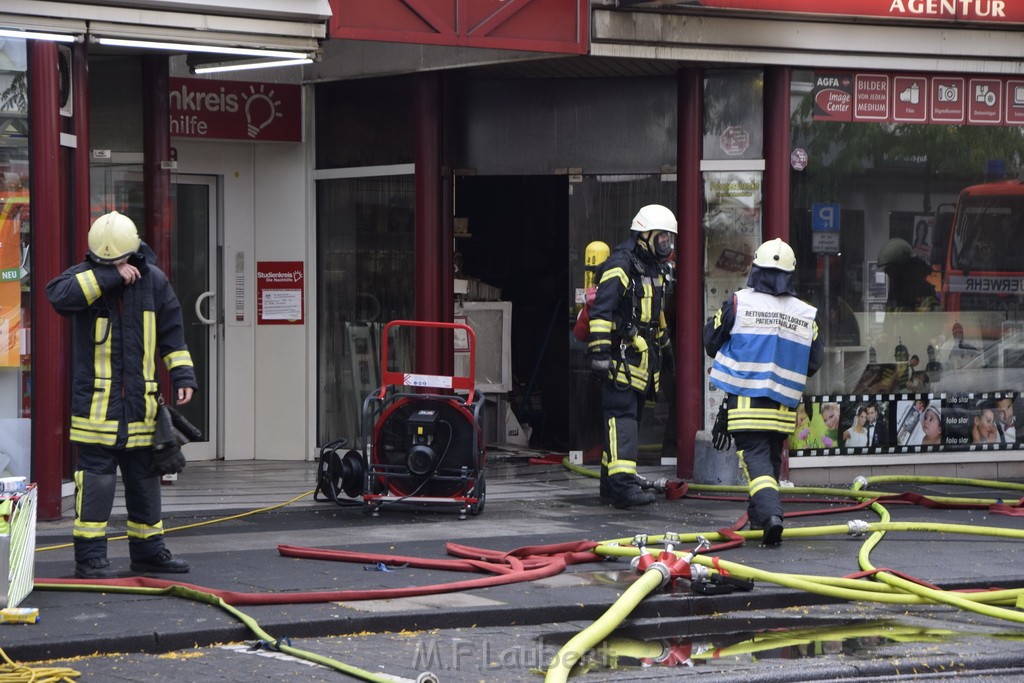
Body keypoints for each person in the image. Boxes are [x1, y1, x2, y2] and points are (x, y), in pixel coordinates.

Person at [46, 211, 198, 579]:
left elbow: (172, 335)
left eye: (118, 260)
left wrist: (183, 375)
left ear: (133, 252)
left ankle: (149, 553)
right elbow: (58, 296)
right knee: (95, 485)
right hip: (96, 410)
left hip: (142, 409)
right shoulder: (83, 279)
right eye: (104, 260)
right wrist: (108, 276)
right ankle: (91, 558)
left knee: (146, 483)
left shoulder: (154, 282)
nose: (113, 264)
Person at [703, 238, 823, 547]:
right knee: (768, 461)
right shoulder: (806, 314)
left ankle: (772, 517)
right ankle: (759, 520)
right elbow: (814, 363)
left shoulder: (738, 303)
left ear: (756, 269)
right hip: (783, 409)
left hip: (746, 403)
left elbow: (710, 341)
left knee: (755, 463)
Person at [588, 204, 676, 509]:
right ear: (645, 235)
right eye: (663, 236)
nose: (667, 243)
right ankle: (623, 487)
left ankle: (610, 485)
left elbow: (656, 315)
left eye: (669, 237)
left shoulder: (653, 269)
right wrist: (599, 352)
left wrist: (665, 349)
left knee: (626, 422)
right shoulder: (620, 265)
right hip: (620, 359)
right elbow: (601, 312)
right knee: (621, 420)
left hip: (640, 362)